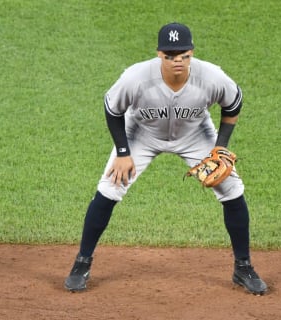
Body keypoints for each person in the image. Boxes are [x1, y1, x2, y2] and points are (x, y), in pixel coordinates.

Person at [64, 22, 268, 295]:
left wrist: (219, 149)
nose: (177, 62)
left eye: (183, 55)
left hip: (195, 133)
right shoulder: (136, 77)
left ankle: (243, 267)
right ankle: (81, 263)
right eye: (171, 56)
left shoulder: (212, 77)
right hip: (141, 132)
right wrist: (123, 153)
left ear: (192, 53)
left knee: (231, 188)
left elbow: (233, 104)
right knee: (110, 185)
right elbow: (112, 109)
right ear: (159, 54)